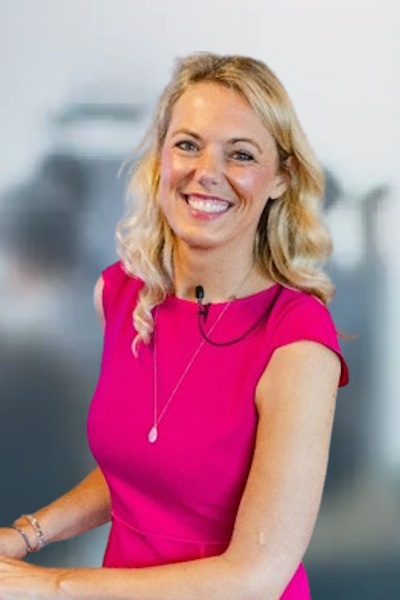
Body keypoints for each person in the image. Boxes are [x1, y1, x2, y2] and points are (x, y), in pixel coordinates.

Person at [0, 52, 348, 599]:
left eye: (241, 154)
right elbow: (143, 471)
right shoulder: (121, 295)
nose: (206, 171)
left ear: (281, 178)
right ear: (161, 156)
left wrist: (50, 586)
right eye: (188, 144)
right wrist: (27, 535)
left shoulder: (298, 339)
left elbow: (255, 579)